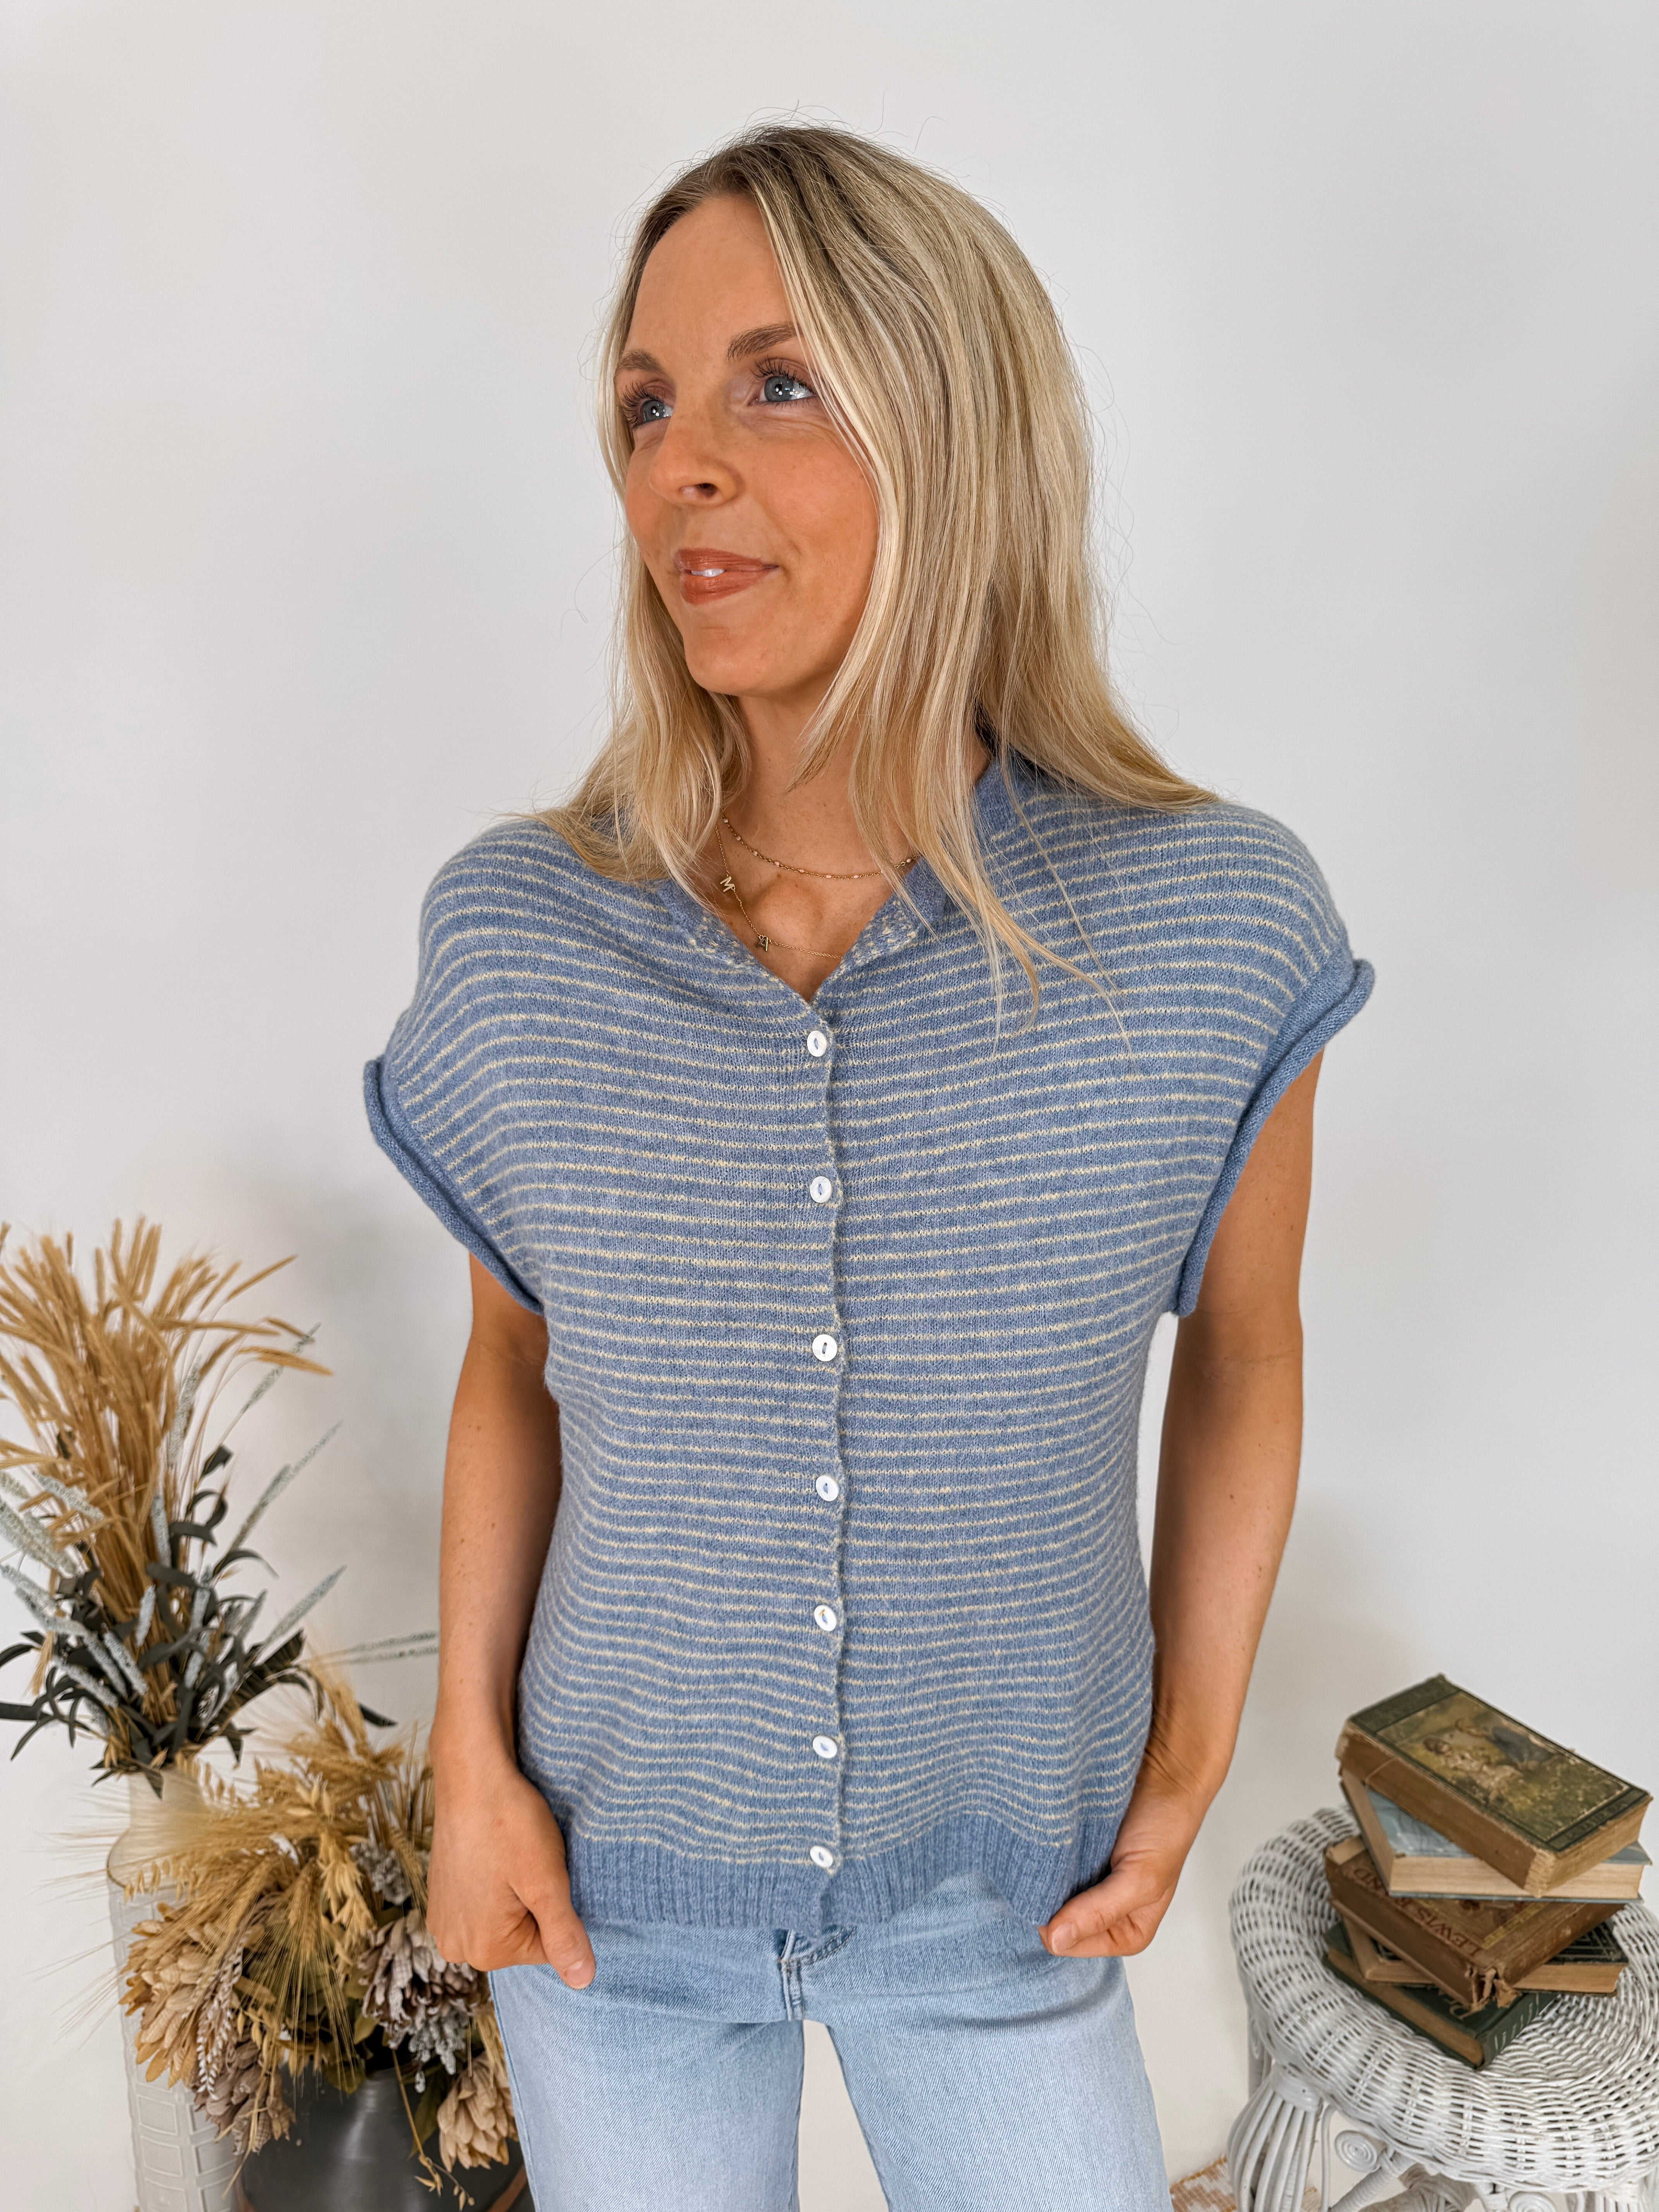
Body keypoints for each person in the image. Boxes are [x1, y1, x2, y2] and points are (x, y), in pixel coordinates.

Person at [366, 122, 1372, 2212]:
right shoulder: (525, 935)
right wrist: (470, 1764)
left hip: (1006, 1899)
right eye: (646, 406)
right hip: (603, 1905)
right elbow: (514, 1364)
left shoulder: (1208, 930)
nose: (680, 467)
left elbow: (1248, 1355)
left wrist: (1191, 1759)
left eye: (776, 384)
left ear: (956, 429)